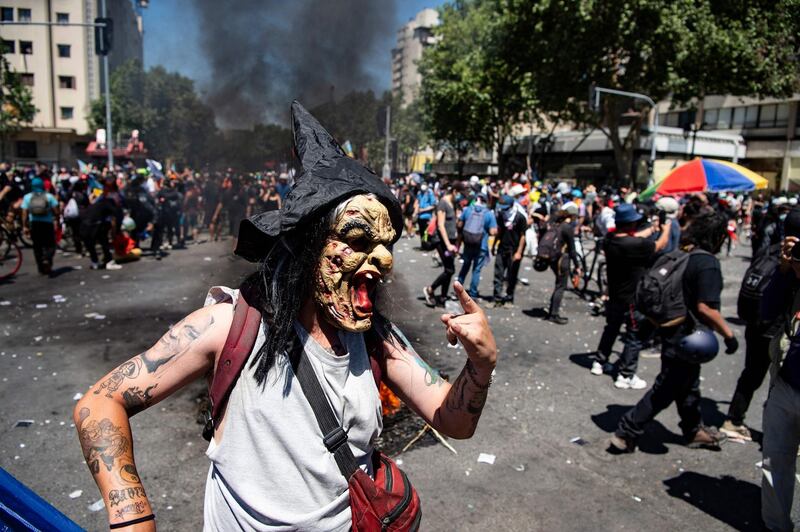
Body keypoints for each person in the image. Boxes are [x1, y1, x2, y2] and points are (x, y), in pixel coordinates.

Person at [74, 102, 497, 530]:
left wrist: (480, 364)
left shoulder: (378, 340)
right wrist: (132, 516)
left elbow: (452, 420)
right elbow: (100, 402)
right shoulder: (230, 326)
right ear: (306, 244)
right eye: (358, 239)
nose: (383, 260)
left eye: (386, 244)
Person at [611, 212, 739, 453]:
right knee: (667, 387)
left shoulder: (684, 254)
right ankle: (626, 431)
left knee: (687, 384)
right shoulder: (707, 263)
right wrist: (729, 336)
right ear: (719, 237)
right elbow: (706, 308)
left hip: (671, 328)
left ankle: (693, 431)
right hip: (689, 335)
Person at [592, 204, 673, 389]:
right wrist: (665, 229)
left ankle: (599, 361)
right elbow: (661, 244)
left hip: (614, 295)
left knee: (611, 328)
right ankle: (626, 375)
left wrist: (651, 228)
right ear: (630, 224)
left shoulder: (609, 240)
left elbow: (633, 238)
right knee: (634, 336)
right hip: (633, 299)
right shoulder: (638, 245)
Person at [759, 233, 800, 531]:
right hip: (787, 383)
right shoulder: (793, 276)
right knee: (775, 461)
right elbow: (767, 310)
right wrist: (784, 270)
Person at [457, 192, 498, 298]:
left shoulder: (467, 210)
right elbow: (493, 231)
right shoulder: (489, 213)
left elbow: (459, 225)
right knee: (476, 270)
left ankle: (458, 289)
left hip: (468, 244)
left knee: (465, 266)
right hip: (481, 246)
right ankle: (473, 293)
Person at [423, 184, 458, 306]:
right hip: (442, 241)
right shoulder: (442, 203)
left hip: (450, 241)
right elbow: (441, 225)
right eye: (459, 194)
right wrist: (448, 244)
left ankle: (443, 297)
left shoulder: (453, 203)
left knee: (448, 269)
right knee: (450, 270)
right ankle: (430, 289)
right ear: (454, 191)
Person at [546, 203, 581, 324]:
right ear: (572, 215)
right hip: (562, 260)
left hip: (552, 259)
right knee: (561, 286)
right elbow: (572, 249)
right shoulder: (567, 228)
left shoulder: (556, 224)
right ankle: (554, 314)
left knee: (558, 284)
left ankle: (552, 310)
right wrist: (577, 266)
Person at [492, 194, 527, 307]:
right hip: (502, 248)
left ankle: (509, 298)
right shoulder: (501, 215)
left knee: (511, 276)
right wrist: (493, 245)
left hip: (514, 250)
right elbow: (500, 231)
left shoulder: (520, 217)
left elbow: (523, 236)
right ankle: (497, 298)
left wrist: (519, 252)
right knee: (498, 274)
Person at [20, 177, 59, 275]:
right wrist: (57, 220)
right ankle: (47, 259)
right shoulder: (49, 197)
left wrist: (25, 226)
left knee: (37, 247)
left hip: (35, 224)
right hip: (47, 224)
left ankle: (41, 269)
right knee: (50, 245)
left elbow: (24, 213)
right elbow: (56, 211)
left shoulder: (27, 197)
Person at [415, 182, 436, 249]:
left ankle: (427, 245)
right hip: (420, 216)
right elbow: (418, 202)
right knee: (421, 232)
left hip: (427, 216)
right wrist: (415, 211)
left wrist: (423, 210)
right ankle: (423, 245)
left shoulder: (430, 193)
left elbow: (433, 205)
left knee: (426, 232)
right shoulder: (419, 193)